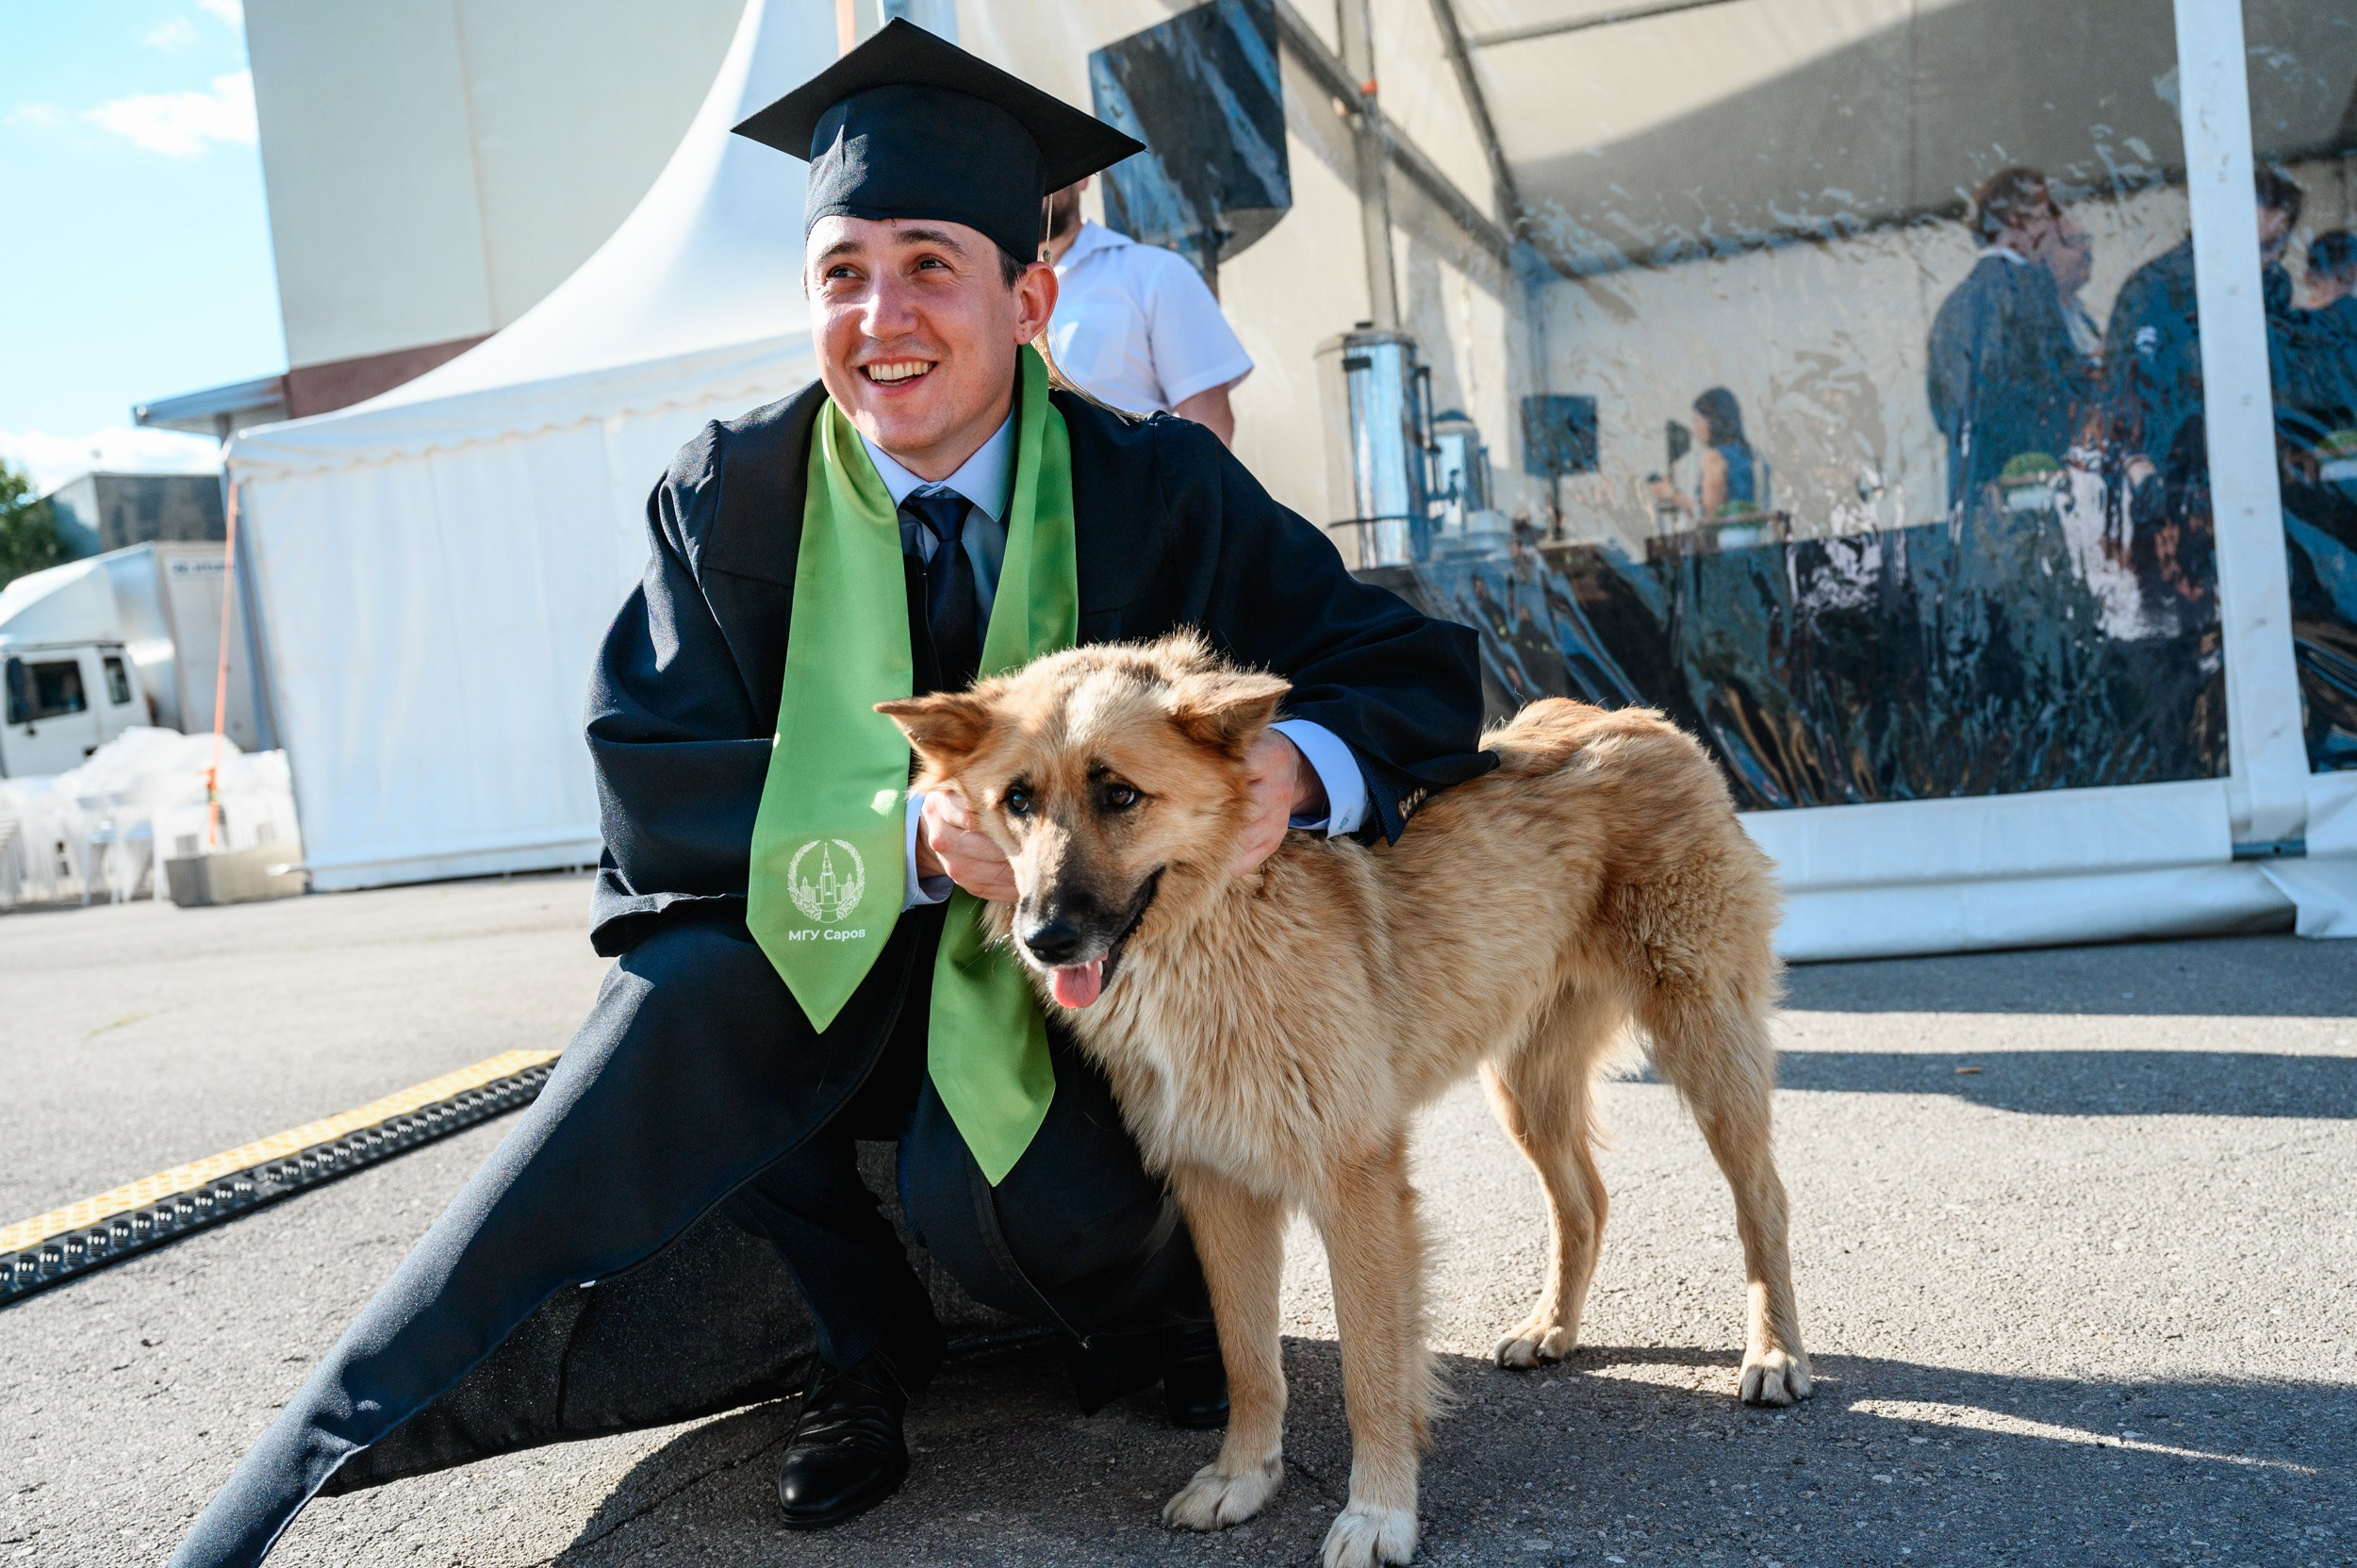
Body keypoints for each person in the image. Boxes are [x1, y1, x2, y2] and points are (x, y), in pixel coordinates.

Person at [164, 23, 1491, 1568]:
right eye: (842, 273)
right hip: (835, 969)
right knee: (683, 999)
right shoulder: (731, 496)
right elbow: (649, 787)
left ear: (1029, 301)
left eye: (931, 266)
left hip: (1079, 982)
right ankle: (857, 1345)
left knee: (1030, 1202)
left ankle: (1160, 1308)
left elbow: (1404, 664)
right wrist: (902, 838)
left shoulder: (1156, 487)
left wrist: (1293, 768)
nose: (882, 316)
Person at [2106, 164, 2303, 472]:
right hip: (2177, 462)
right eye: (2247, 244)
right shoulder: (2158, 287)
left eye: (2273, 246)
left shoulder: (2271, 283)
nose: (2261, 261)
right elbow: (2129, 389)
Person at [1039, 177, 1254, 445]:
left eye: (1044, 164)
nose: (1032, 179)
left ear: (1082, 178)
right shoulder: (995, 293)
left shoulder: (1156, 273)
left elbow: (1209, 427)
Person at [1926, 166, 2084, 513]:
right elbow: (2051, 394)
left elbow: (1947, 407)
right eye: (2045, 216)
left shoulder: (1957, 304)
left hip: (1980, 498)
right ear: (2017, 221)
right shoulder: (2027, 292)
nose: (2053, 229)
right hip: (2030, 492)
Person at [1647, 387, 1760, 521]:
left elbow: (1709, 515)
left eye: (1696, 421)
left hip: (1729, 534)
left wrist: (1669, 494)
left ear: (1711, 421)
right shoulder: (1753, 455)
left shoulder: (1715, 458)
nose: (1695, 430)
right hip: (1757, 531)